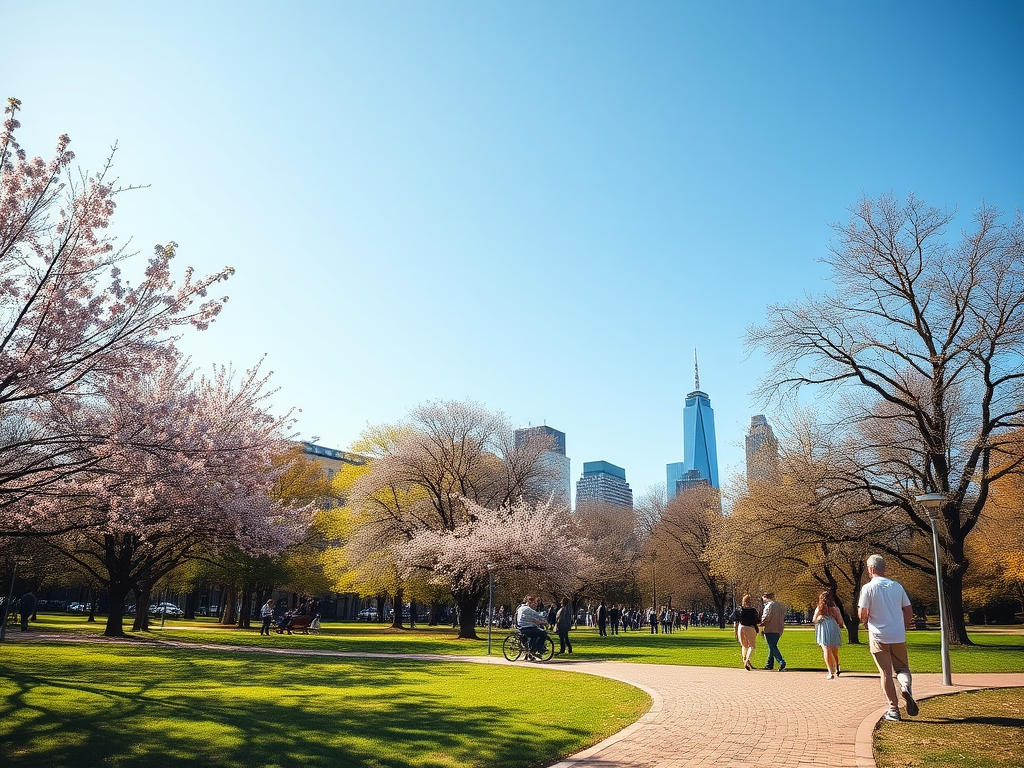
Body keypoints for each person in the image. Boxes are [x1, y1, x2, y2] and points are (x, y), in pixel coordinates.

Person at [858, 554, 917, 722]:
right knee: (903, 668)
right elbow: (908, 611)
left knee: (885, 673)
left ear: (870, 569)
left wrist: (866, 622)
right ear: (884, 568)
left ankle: (893, 709)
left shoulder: (868, 588)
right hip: (897, 635)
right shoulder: (897, 586)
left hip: (878, 636)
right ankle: (905, 686)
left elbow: (862, 613)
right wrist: (902, 625)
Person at [813, 590, 844, 678]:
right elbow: (840, 622)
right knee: (831, 650)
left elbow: (814, 620)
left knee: (828, 649)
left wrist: (819, 618)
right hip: (832, 628)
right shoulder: (833, 609)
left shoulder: (820, 608)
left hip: (824, 628)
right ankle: (834, 668)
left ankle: (832, 670)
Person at [760, 592, 787, 671]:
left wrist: (761, 623)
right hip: (779, 628)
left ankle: (781, 661)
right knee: (772, 646)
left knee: (772, 646)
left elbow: (766, 617)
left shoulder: (769, 606)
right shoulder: (779, 605)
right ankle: (769, 664)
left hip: (770, 628)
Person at [733, 594, 759, 670]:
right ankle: (747, 660)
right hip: (750, 627)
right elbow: (756, 620)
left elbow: (734, 618)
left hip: (741, 627)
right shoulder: (752, 610)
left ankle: (746, 660)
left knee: (744, 645)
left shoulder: (739, 609)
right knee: (751, 646)